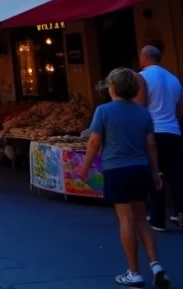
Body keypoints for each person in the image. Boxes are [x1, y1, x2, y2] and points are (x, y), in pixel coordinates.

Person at [80, 67, 170, 287]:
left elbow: (94, 142)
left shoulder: (104, 111)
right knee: (141, 219)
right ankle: (156, 264)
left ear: (113, 87)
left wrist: (85, 166)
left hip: (117, 169)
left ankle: (134, 272)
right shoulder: (143, 113)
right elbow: (151, 144)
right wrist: (155, 171)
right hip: (140, 168)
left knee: (126, 219)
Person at [137, 45, 183, 232]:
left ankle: (157, 218)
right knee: (176, 174)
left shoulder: (142, 77)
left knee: (156, 173)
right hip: (173, 131)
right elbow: (179, 111)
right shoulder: (174, 79)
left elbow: (140, 107)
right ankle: (181, 212)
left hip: (153, 130)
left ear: (145, 56)